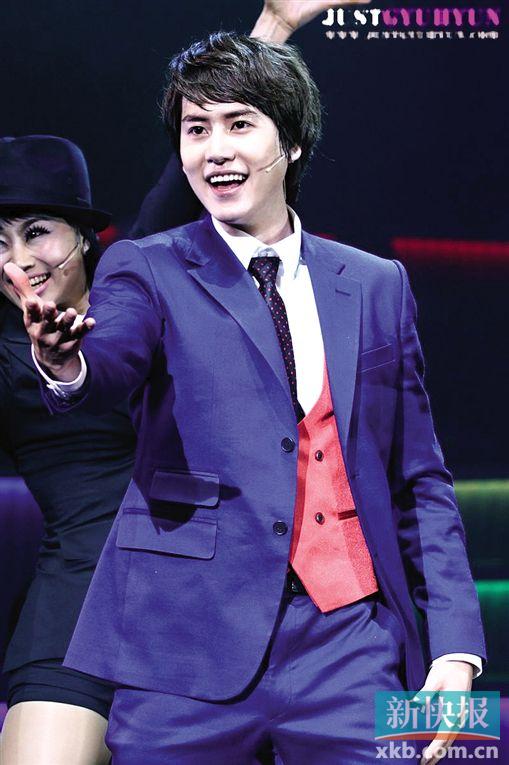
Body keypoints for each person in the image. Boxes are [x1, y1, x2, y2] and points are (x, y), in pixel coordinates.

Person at [6, 27, 485, 765]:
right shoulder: (146, 267)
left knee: (453, 748)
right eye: (196, 129)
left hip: (351, 640)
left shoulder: (375, 283)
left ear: (291, 142)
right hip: (183, 648)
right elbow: (107, 364)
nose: (214, 149)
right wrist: (65, 362)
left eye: (238, 124)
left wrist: (456, 648)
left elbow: (420, 478)